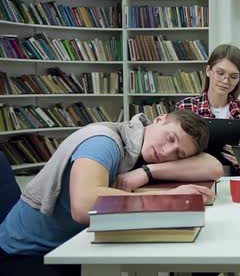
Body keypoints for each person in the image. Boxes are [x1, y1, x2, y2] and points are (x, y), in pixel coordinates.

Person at [0, 110, 223, 276]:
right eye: (170, 138)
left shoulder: (139, 149)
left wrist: (147, 172)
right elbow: (84, 205)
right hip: (25, 253)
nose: (166, 152)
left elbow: (213, 166)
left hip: (72, 247)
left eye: (178, 154)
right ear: (159, 119)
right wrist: (168, 200)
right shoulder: (104, 141)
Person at [177, 44, 240, 175]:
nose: (226, 81)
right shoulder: (186, 107)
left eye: (233, 77)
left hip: (235, 180)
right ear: (208, 71)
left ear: (239, 79)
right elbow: (176, 155)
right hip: (195, 178)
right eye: (220, 73)